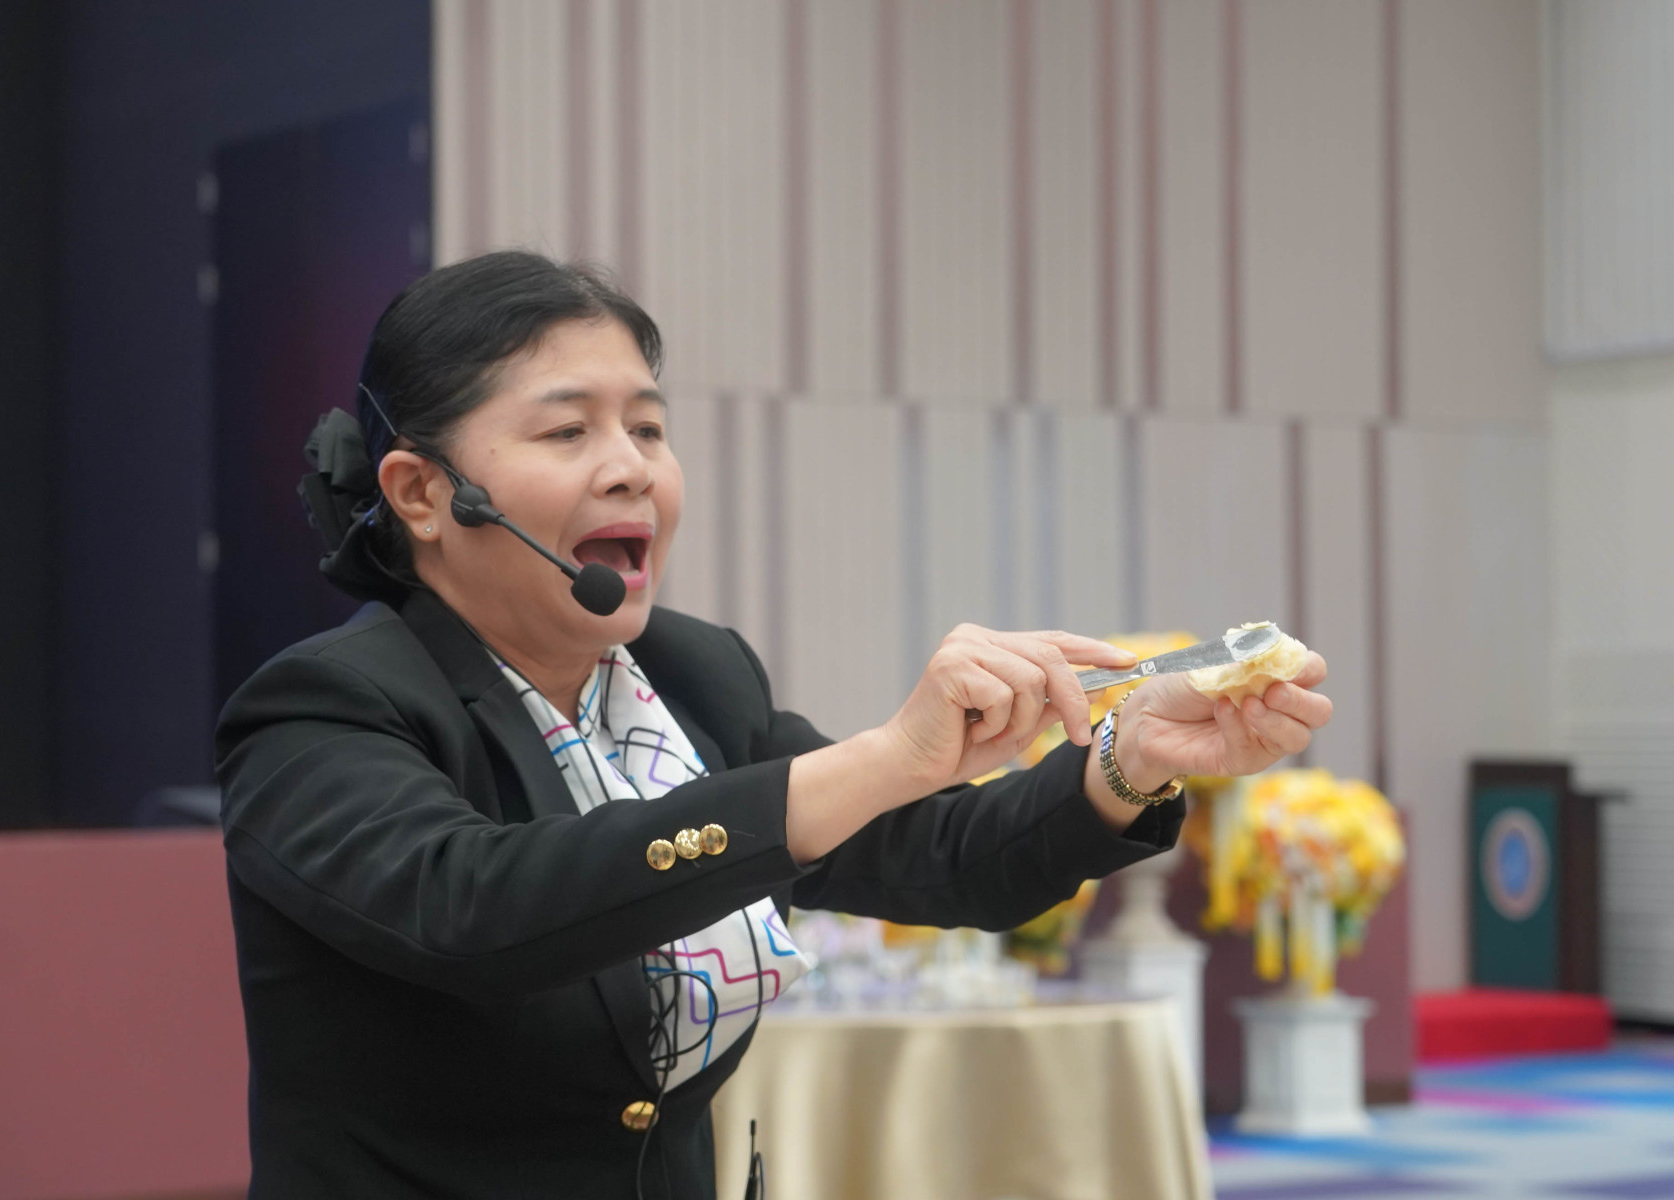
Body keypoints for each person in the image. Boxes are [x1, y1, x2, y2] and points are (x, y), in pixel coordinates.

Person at [215, 250, 1332, 1200]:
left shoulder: (692, 677)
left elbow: (938, 858)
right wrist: (880, 759)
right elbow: (480, 912)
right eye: (567, 432)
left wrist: (1127, 759)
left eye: (649, 428)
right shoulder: (323, 708)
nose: (631, 469)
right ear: (422, 494)